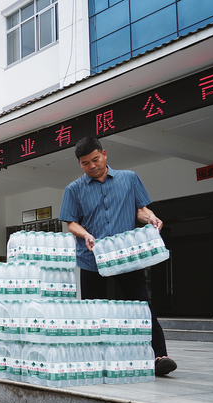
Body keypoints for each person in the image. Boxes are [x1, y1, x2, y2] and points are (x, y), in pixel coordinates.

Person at [59, 136, 176, 376]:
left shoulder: (129, 178)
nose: (92, 166)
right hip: (92, 259)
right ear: (79, 163)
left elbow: (141, 210)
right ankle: (95, 360)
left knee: (141, 306)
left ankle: (159, 356)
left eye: (95, 159)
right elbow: (71, 223)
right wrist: (85, 234)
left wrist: (151, 218)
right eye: (85, 163)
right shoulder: (73, 189)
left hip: (127, 258)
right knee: (94, 311)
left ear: (104, 154)